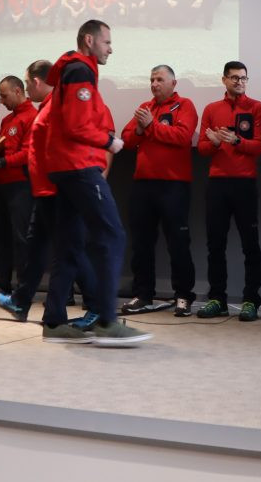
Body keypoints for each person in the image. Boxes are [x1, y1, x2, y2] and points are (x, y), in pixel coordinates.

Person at [40, 19, 152, 345]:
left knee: (70, 245)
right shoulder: (80, 71)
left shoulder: (71, 71)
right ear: (89, 40)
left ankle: (54, 323)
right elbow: (76, 126)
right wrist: (108, 141)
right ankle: (106, 322)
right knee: (112, 236)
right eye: (107, 42)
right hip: (79, 167)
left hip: (63, 168)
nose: (111, 49)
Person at [0, 60, 97, 325]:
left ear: (37, 82)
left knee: (70, 251)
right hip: (43, 190)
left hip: (56, 191)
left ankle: (97, 307)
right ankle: (21, 302)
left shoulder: (56, 107)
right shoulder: (47, 107)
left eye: (28, 83)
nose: (27, 89)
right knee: (35, 249)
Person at [121, 65, 198, 317]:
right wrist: (140, 129)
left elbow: (182, 137)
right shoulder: (146, 107)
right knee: (141, 244)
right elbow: (127, 139)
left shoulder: (185, 106)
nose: (154, 84)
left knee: (178, 243)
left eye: (160, 79)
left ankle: (183, 296)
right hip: (143, 185)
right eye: (152, 79)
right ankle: (143, 295)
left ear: (173, 84)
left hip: (173, 185)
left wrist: (150, 127)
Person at [196, 61, 261, 321]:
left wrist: (237, 140)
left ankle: (251, 300)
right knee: (215, 245)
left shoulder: (258, 108)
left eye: (243, 78)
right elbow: (202, 148)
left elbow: (259, 147)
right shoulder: (211, 109)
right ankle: (217, 299)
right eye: (235, 78)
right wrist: (215, 143)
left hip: (244, 184)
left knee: (251, 244)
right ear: (224, 80)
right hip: (217, 184)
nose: (240, 82)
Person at [0, 76, 37, 298]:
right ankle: (3, 285)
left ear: (18, 91)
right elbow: (2, 148)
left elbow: (28, 154)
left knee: (21, 238)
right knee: (1, 236)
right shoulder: (7, 120)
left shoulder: (32, 117)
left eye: (4, 96)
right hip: (0, 184)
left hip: (20, 185)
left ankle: (23, 289)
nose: (1, 101)